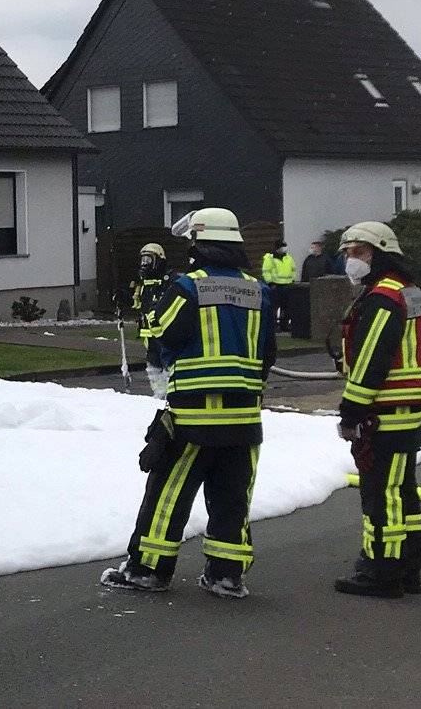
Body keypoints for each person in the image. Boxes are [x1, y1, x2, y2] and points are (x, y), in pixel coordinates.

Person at [103, 207, 276, 599]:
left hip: (194, 415)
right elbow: (268, 352)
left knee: (168, 494)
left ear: (201, 242)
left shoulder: (189, 287)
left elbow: (162, 332)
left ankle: (148, 570)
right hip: (245, 418)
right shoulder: (259, 290)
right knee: (232, 498)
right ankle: (226, 575)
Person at [331, 221, 421, 598]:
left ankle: (382, 571)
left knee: (381, 495)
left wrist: (351, 411)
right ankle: (408, 568)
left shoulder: (383, 297)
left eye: (359, 252)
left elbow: (373, 361)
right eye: (347, 253)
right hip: (407, 410)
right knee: (403, 492)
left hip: (385, 413)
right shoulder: (409, 292)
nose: (351, 260)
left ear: (380, 253)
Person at [127, 242, 175, 398]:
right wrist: (123, 297)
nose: (144, 264)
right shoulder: (142, 283)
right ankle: (158, 394)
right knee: (153, 363)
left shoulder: (169, 281)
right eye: (143, 260)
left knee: (168, 361)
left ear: (158, 261)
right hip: (148, 333)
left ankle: (170, 393)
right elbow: (136, 303)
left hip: (164, 332)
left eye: (148, 260)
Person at [261, 241, 296, 331]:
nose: (285, 249)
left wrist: (292, 280)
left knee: (286, 307)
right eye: (283, 247)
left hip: (287, 286)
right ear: (277, 248)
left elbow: (293, 270)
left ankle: (284, 325)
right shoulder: (270, 259)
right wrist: (270, 283)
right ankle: (274, 326)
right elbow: (266, 271)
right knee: (274, 307)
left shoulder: (289, 258)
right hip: (275, 286)